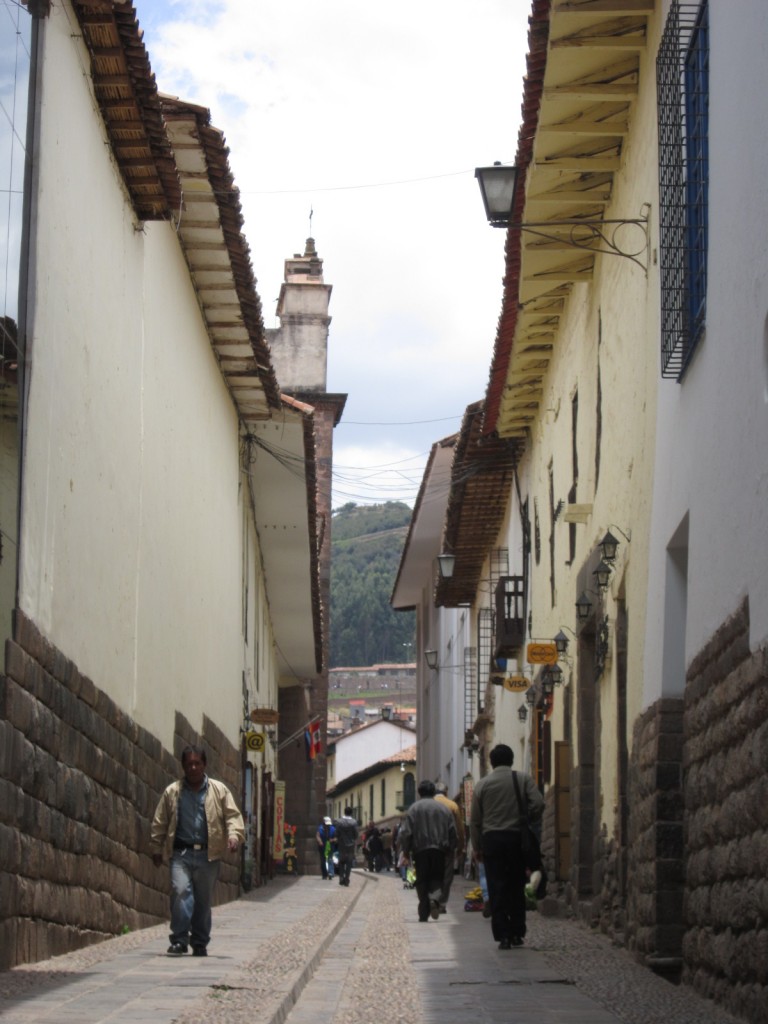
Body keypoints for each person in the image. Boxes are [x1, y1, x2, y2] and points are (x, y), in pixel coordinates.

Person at [149, 745, 244, 957]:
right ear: (183, 766)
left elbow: (232, 815)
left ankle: (200, 941)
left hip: (207, 855)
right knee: (180, 892)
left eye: (197, 763)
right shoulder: (172, 792)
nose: (193, 767)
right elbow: (160, 821)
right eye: (189, 763)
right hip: (181, 854)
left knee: (203, 900)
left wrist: (233, 836)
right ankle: (180, 940)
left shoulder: (219, 790)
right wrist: (156, 847)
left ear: (204, 765)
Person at [470, 743, 544, 950]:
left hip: (492, 841)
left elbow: (475, 821)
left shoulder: (482, 785)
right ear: (511, 760)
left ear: (492, 762)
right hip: (516, 839)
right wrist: (528, 819)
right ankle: (517, 932)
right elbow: (538, 803)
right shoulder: (522, 779)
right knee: (516, 885)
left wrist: (477, 847)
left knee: (496, 886)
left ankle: (502, 934)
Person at [398, 779, 457, 923]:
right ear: (433, 792)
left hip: (420, 850)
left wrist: (406, 851)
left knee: (422, 880)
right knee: (437, 877)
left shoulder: (414, 809)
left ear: (419, 792)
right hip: (439, 850)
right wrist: (451, 848)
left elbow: (406, 832)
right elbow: (452, 831)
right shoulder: (444, 809)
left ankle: (423, 913)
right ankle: (435, 899)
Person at [434, 781, 466, 914]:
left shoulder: (429, 805)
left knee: (435, 873)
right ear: (446, 792)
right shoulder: (452, 805)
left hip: (431, 845)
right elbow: (460, 828)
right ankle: (442, 903)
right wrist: (461, 846)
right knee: (447, 875)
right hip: (448, 846)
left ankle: (434, 898)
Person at [333, 806, 359, 886]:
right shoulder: (354, 822)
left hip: (341, 844)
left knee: (341, 862)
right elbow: (356, 834)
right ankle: (347, 878)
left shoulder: (339, 822)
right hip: (350, 845)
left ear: (344, 812)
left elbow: (336, 833)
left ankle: (341, 877)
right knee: (349, 863)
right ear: (351, 813)